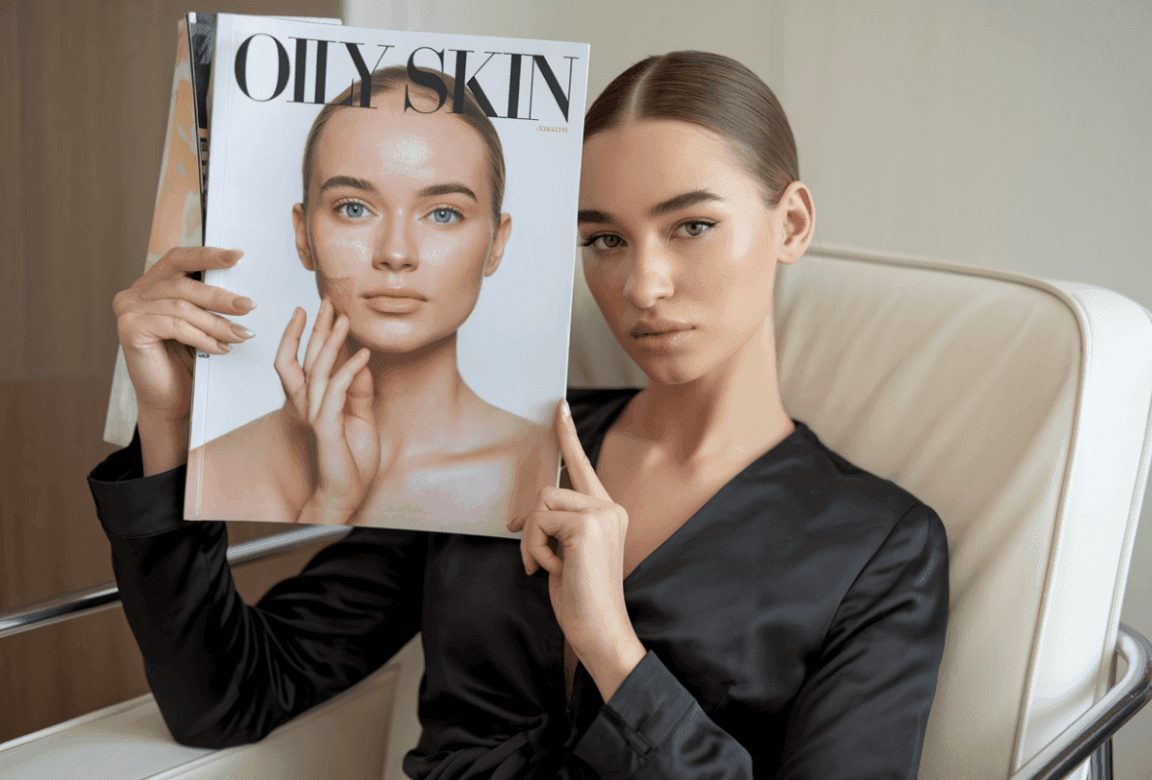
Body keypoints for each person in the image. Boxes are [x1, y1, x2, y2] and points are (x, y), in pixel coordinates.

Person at [94, 51, 949, 779]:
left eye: (691, 226)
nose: (643, 286)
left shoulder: (878, 546)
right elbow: (227, 699)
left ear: (790, 223)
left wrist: (613, 650)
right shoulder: (497, 448)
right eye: (604, 240)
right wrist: (168, 426)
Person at [185, 66, 555, 529]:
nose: (395, 254)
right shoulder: (212, 473)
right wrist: (329, 506)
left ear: (496, 244)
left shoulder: (553, 470)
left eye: (443, 213)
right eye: (354, 208)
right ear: (303, 235)